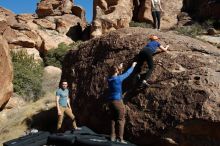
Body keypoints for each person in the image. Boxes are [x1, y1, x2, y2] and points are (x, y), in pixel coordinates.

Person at [107, 62, 137, 144]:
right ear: (116, 71)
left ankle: (112, 137)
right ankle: (120, 139)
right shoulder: (118, 78)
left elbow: (115, 74)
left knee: (113, 119)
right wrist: (132, 66)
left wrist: (119, 68)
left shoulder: (109, 79)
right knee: (121, 119)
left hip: (110, 101)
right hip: (117, 101)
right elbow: (127, 73)